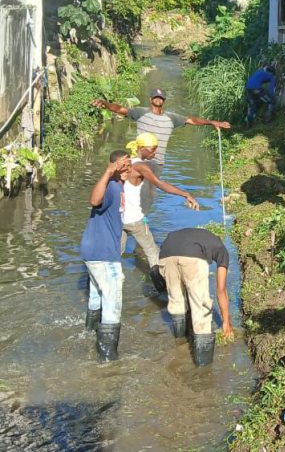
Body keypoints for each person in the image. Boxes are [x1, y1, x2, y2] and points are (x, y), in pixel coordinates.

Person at [122, 132, 200, 290]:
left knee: (115, 253)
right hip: (135, 220)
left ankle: (100, 283)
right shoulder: (140, 166)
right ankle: (162, 290)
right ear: (142, 148)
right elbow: (160, 183)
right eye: (152, 149)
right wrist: (185, 194)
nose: (155, 152)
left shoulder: (125, 163)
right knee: (152, 252)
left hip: (119, 218)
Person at [91, 88, 231, 167]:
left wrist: (212, 122)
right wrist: (105, 104)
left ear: (164, 100)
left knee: (148, 196)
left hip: (157, 163)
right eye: (156, 96)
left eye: (161, 97)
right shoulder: (140, 113)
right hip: (139, 160)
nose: (158, 99)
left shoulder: (171, 118)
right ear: (151, 99)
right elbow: (120, 109)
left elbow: (192, 120)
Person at [80, 149, 131, 362]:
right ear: (115, 166)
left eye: (129, 165)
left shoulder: (119, 187)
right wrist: (109, 171)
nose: (128, 169)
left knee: (96, 297)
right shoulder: (110, 186)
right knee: (112, 303)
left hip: (92, 251)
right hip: (104, 254)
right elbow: (93, 200)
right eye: (124, 166)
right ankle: (108, 360)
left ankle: (88, 335)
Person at [157, 228, 233, 367]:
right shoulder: (223, 251)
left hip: (166, 252)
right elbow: (221, 290)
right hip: (191, 256)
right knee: (201, 308)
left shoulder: (201, 237)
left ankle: (179, 343)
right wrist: (226, 321)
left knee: (176, 301)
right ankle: (204, 369)